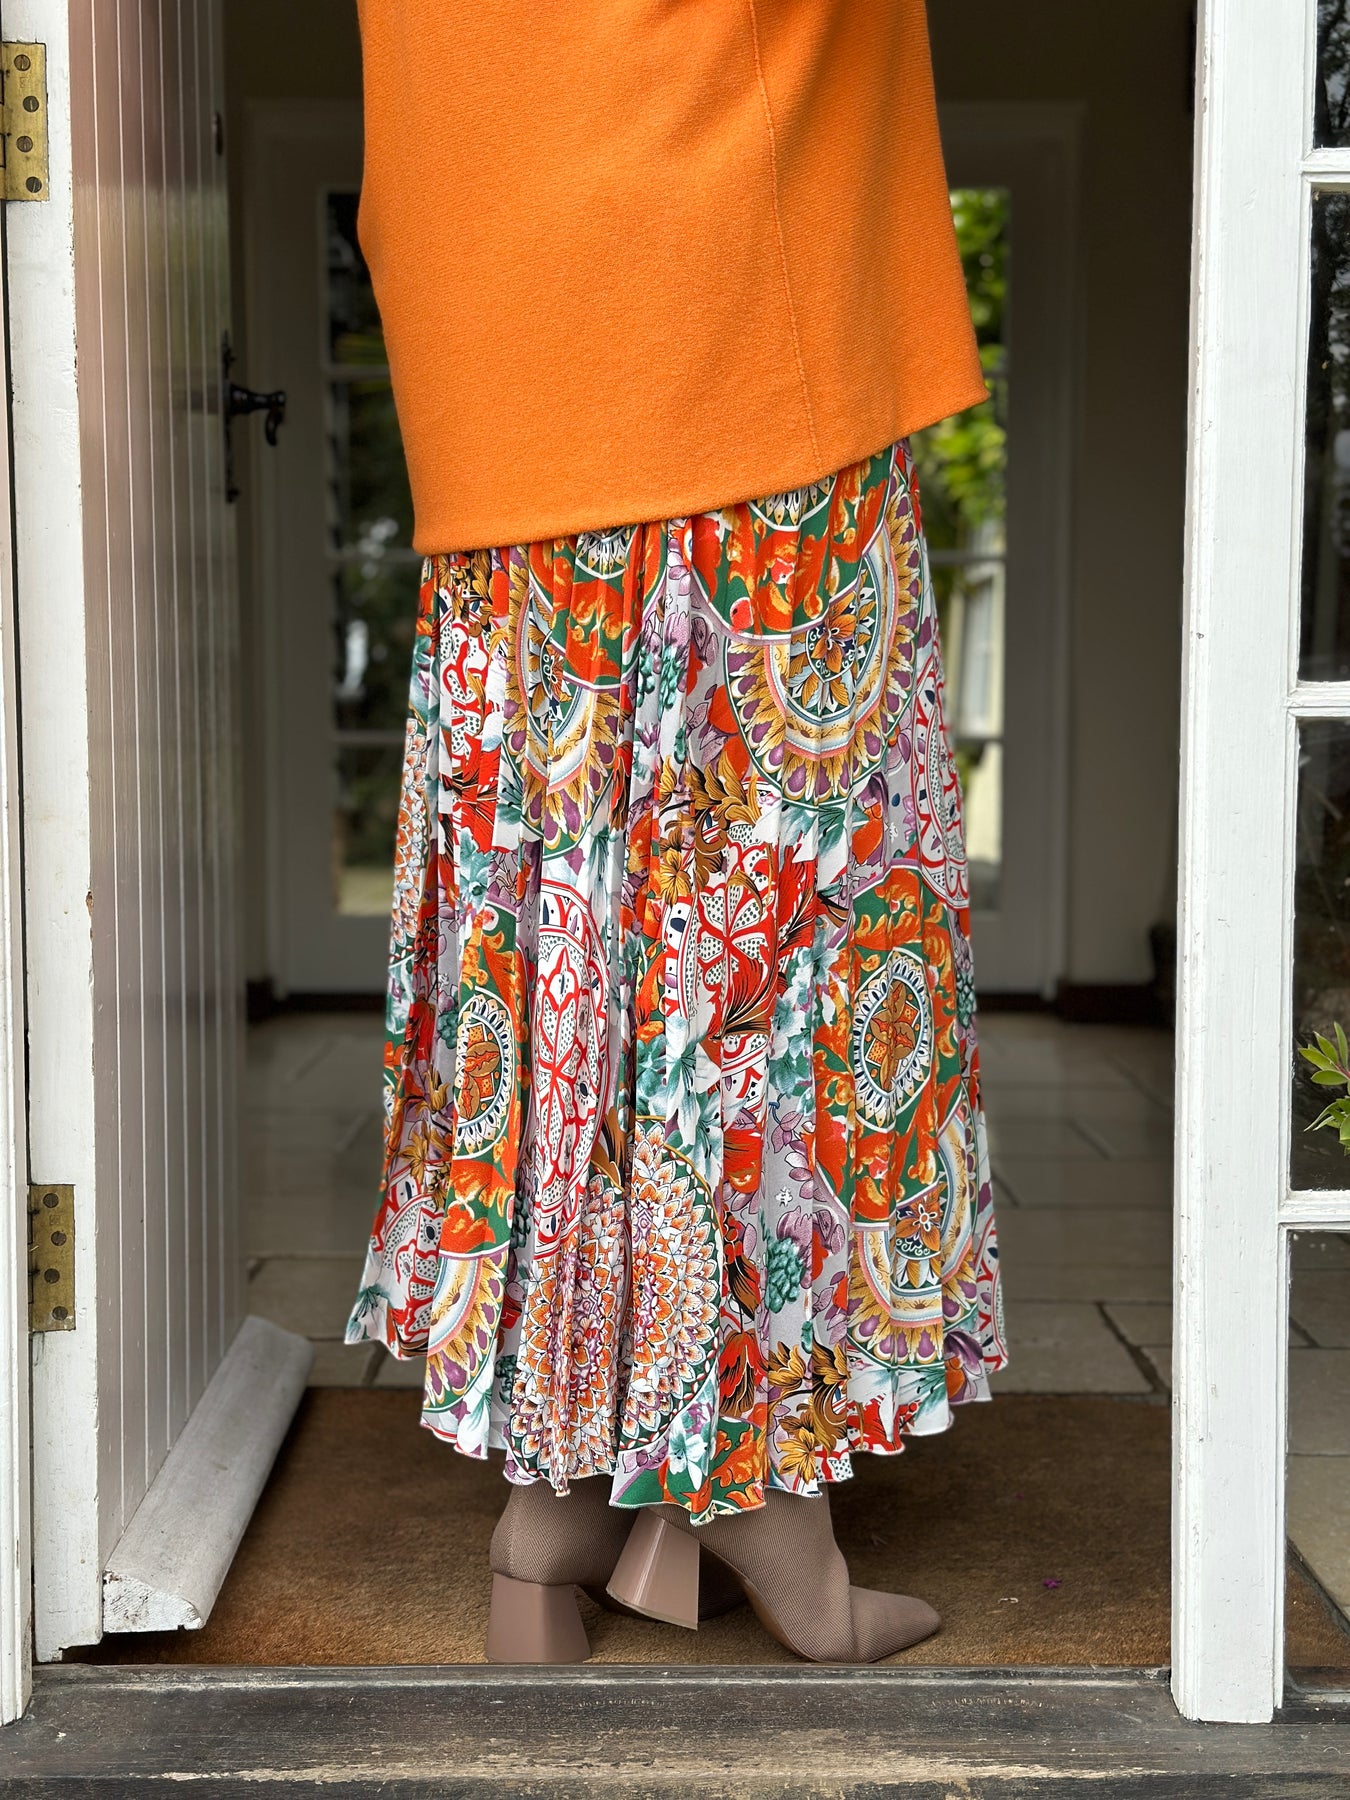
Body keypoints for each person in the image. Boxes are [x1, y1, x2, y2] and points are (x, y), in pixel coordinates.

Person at [346, 0, 1008, 1664]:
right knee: (763, 945)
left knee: (562, 949)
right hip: (728, 319)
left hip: (503, 348)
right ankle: (753, 1498)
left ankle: (558, 1510)